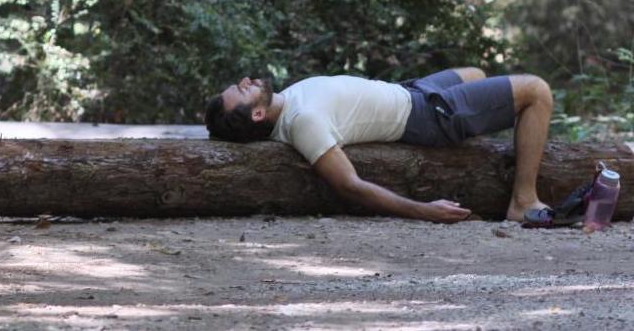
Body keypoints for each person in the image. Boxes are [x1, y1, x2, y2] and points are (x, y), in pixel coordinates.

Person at [205, 68, 554, 224]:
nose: (245, 81)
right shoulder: (303, 123)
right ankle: (523, 200)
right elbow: (349, 185)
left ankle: (476, 151)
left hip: (411, 91)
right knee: (536, 91)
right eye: (242, 91)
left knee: (475, 74)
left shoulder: (285, 103)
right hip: (426, 115)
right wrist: (424, 210)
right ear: (257, 115)